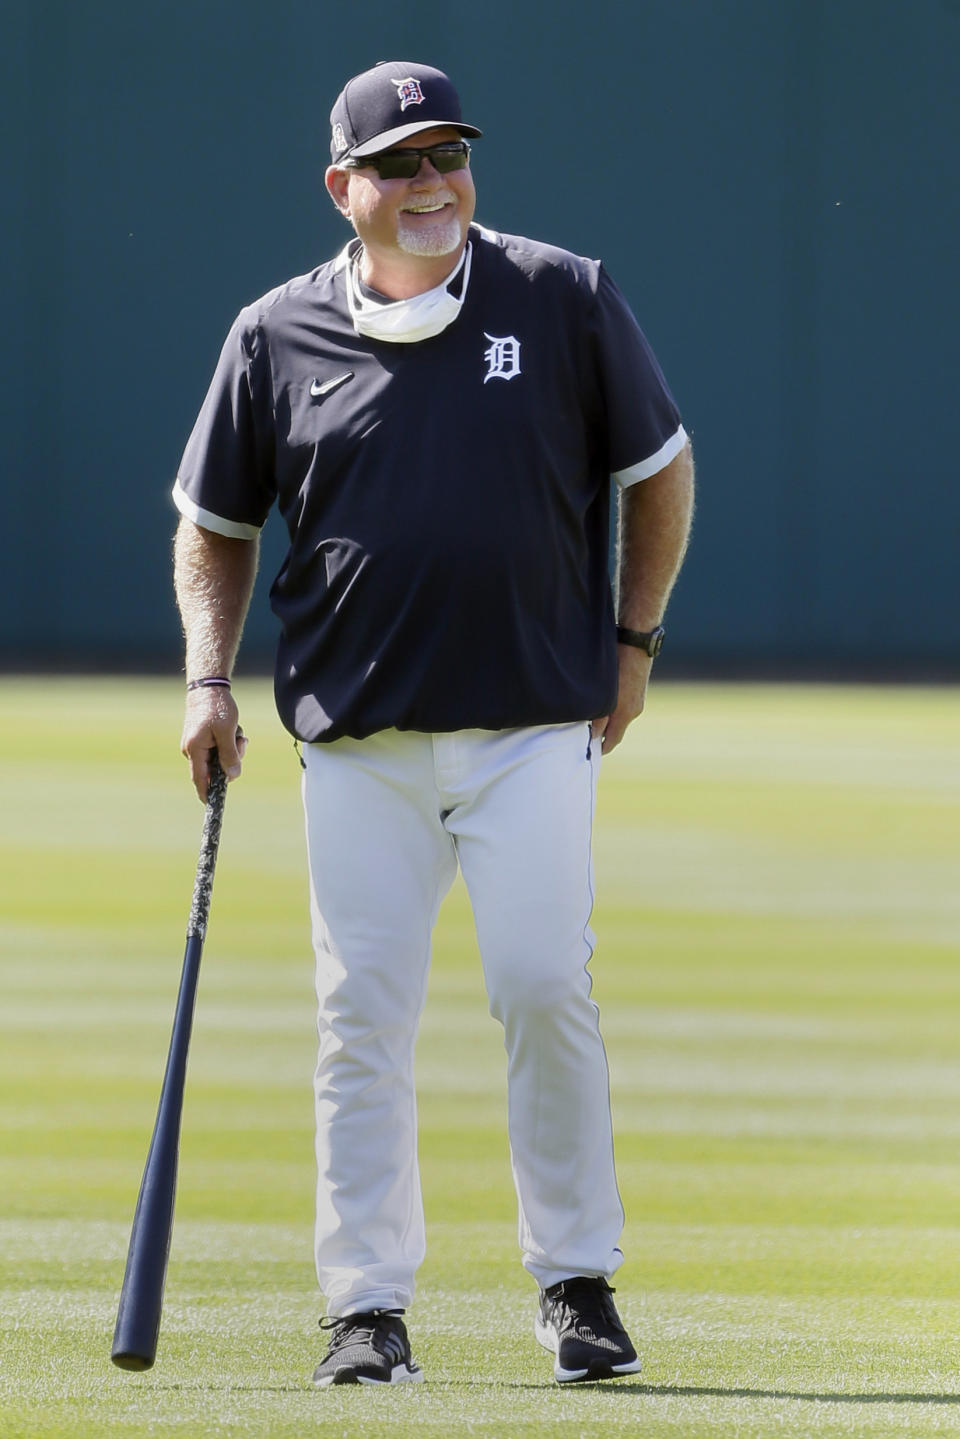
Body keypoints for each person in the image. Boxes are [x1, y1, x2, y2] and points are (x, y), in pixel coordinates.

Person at [172, 59, 694, 1388]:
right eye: (398, 164)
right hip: (358, 743)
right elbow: (215, 527)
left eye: (447, 155)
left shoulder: (563, 299)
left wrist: (632, 644)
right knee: (362, 1018)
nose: (431, 184)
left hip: (531, 727)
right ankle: (366, 1307)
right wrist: (204, 679)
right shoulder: (272, 332)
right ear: (341, 187)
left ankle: (576, 1283)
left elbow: (661, 472)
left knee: (541, 985)